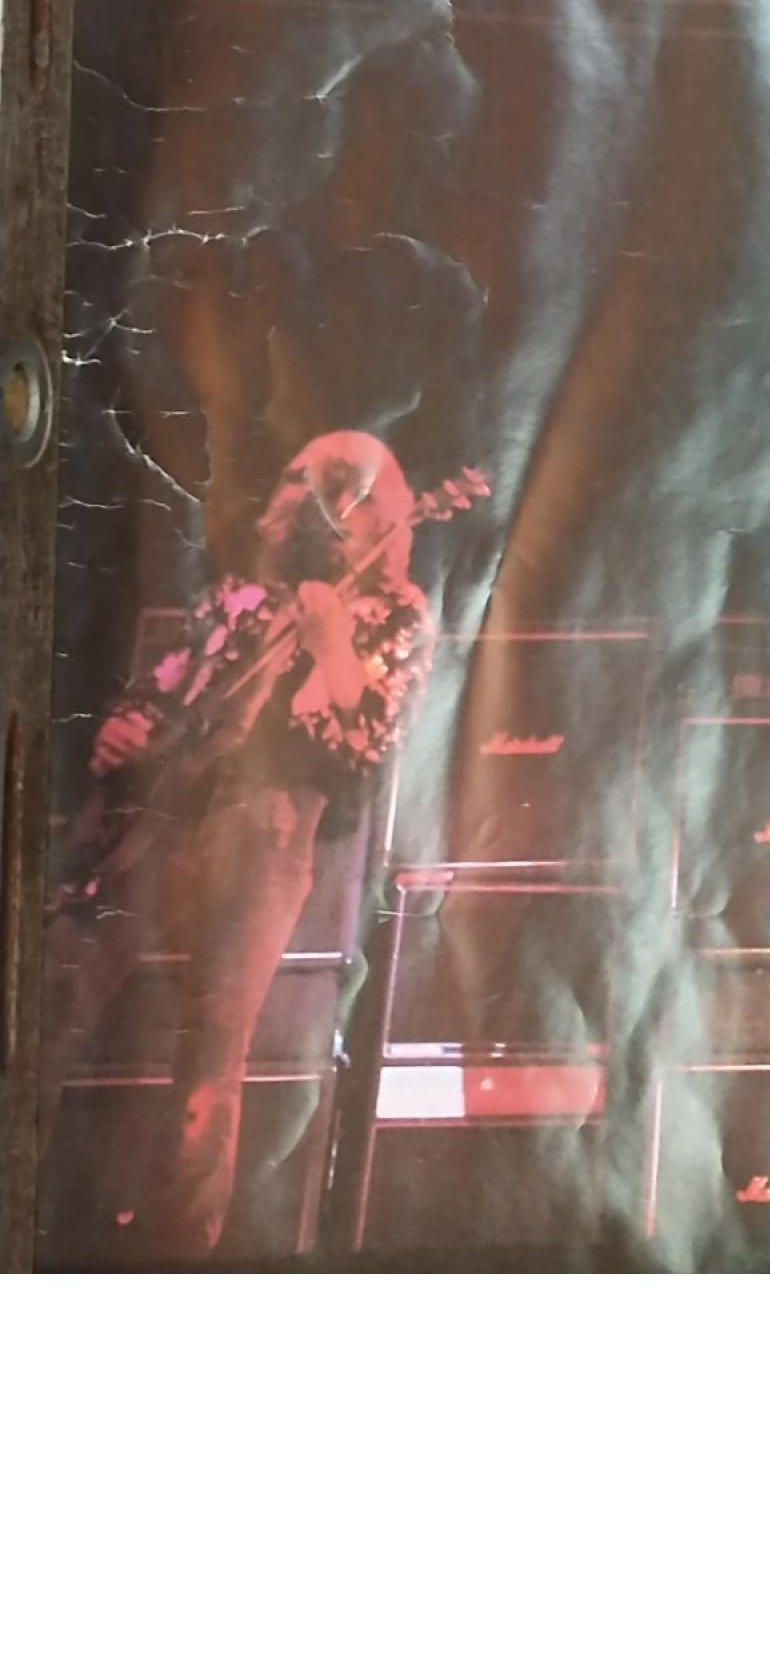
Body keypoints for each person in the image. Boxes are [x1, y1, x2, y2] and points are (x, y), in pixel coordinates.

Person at [40, 430, 433, 1255]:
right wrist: (125, 726)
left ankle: (179, 1250)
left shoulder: (394, 613)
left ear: (379, 513)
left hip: (266, 830)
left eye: (338, 488)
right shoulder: (237, 598)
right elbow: (163, 687)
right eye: (298, 479)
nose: (309, 500)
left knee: (213, 1051)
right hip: (161, 819)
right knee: (57, 987)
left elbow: (366, 751)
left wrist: (332, 645)